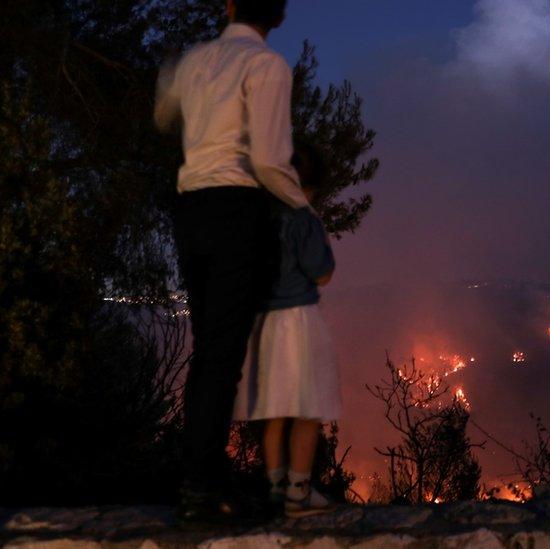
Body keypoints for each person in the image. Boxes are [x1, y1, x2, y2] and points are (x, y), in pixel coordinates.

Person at [154, 0, 308, 524]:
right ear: (280, 16)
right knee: (223, 353)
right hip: (236, 210)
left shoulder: (194, 61)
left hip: (191, 209)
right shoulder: (266, 66)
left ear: (228, 5)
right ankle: (202, 483)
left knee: (208, 350)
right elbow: (268, 159)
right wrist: (302, 206)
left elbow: (162, 113)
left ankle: (201, 473)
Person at [233, 142, 341, 518]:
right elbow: (322, 273)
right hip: (298, 322)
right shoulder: (303, 219)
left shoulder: (263, 218)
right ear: (308, 187)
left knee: (274, 410)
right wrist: (321, 235)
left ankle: (276, 488)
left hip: (265, 323)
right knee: (307, 408)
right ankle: (299, 491)